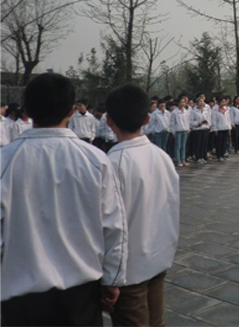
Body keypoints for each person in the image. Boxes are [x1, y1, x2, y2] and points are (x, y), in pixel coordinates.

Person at [0, 73, 127, 325]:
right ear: (71, 110)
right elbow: (114, 226)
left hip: (22, 296)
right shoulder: (95, 160)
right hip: (81, 295)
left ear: (28, 110)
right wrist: (113, 279)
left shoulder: (6, 161)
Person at [105, 83, 180, 326]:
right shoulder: (162, 157)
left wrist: (110, 277)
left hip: (129, 271)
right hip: (157, 259)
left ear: (108, 120)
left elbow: (111, 226)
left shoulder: (112, 164)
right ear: (147, 119)